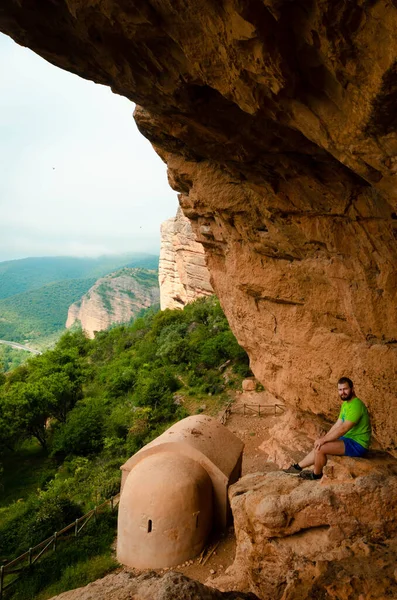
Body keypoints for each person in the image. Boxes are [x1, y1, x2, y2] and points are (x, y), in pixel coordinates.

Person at [283, 377, 371, 480]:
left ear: (352, 388)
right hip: (348, 439)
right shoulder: (346, 404)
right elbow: (338, 424)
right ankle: (298, 467)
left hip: (357, 444)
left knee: (321, 448)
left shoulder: (356, 405)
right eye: (340, 390)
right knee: (320, 444)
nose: (343, 392)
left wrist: (324, 440)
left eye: (345, 389)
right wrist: (324, 438)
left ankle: (316, 475)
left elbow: (344, 428)